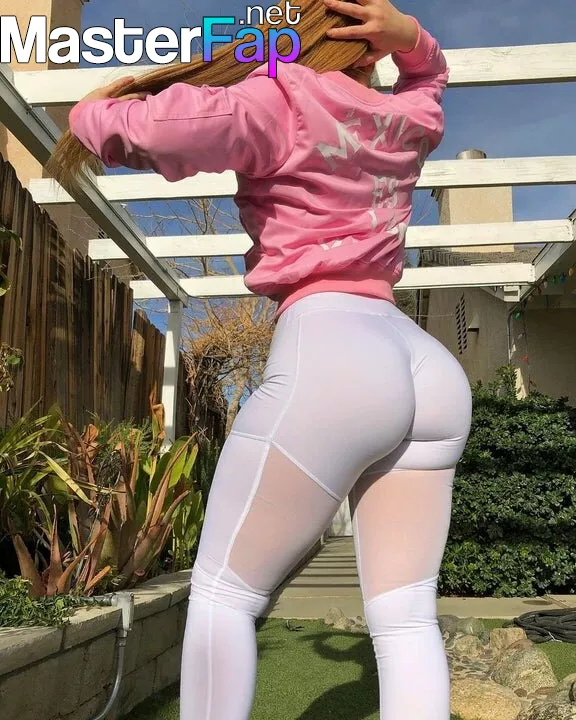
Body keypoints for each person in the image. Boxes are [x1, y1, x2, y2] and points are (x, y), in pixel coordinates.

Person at [59, 0, 473, 716]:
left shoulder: (276, 98)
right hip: (424, 363)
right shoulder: (402, 120)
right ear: (365, 46)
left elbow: (135, 128)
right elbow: (429, 84)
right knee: (406, 619)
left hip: (333, 350)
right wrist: (415, 41)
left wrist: (94, 108)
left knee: (223, 592)